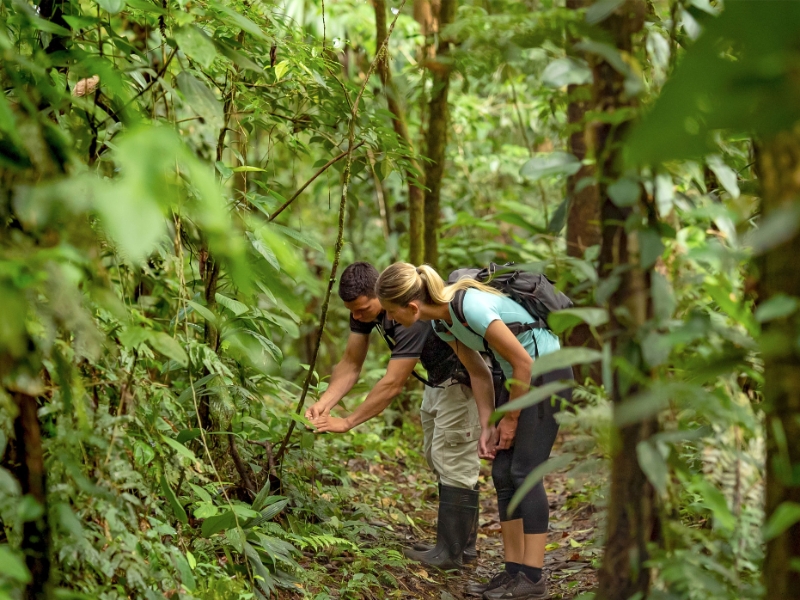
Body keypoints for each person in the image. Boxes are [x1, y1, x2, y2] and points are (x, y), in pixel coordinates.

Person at [375, 263, 574, 600]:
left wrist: (510, 420)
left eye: (392, 313)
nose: (391, 321)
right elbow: (479, 373)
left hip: (545, 375)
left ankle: (534, 579)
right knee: (501, 472)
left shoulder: (470, 306)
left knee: (525, 472)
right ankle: (514, 572)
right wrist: (488, 425)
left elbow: (524, 362)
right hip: (517, 382)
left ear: (411, 307)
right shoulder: (441, 324)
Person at [306, 262, 496, 569]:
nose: (356, 316)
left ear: (379, 296)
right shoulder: (367, 310)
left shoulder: (407, 314)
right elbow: (351, 362)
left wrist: (348, 421)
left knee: (453, 460)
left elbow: (393, 383)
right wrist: (325, 402)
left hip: (463, 383)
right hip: (439, 380)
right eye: (351, 311)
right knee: (437, 457)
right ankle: (460, 545)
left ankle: (451, 552)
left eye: (362, 308)